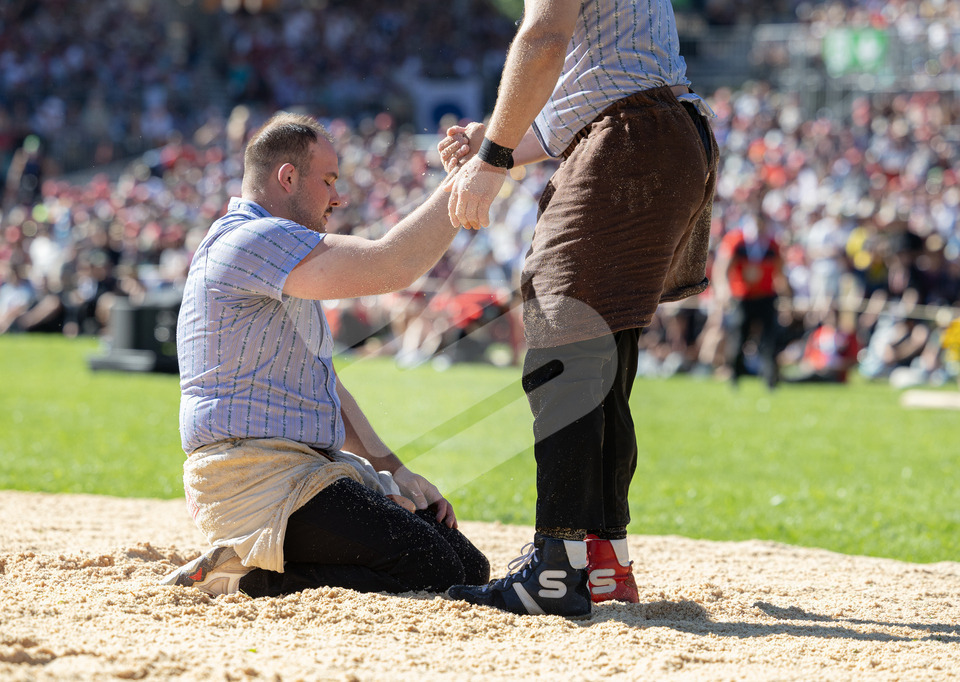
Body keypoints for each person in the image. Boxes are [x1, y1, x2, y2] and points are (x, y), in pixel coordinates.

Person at [436, 0, 718, 618]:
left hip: (630, 137)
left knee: (561, 345)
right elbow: (589, 94)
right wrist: (496, 143)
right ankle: (602, 560)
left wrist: (492, 160)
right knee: (604, 353)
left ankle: (557, 569)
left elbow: (542, 37)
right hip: (664, 131)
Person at [161, 112, 488, 598]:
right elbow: (391, 265)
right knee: (434, 565)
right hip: (255, 478)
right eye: (329, 180)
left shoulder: (276, 256)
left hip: (294, 470)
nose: (338, 197)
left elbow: (326, 386)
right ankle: (246, 578)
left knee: (468, 565)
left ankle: (251, 567)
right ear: (287, 177)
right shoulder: (251, 238)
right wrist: (476, 172)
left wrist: (398, 472)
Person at [712, 213, 790, 389]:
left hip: (766, 296)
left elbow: (780, 271)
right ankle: (735, 377)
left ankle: (770, 379)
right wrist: (724, 290)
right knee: (739, 338)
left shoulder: (771, 244)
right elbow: (723, 268)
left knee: (769, 339)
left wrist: (786, 296)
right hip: (743, 297)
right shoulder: (736, 241)